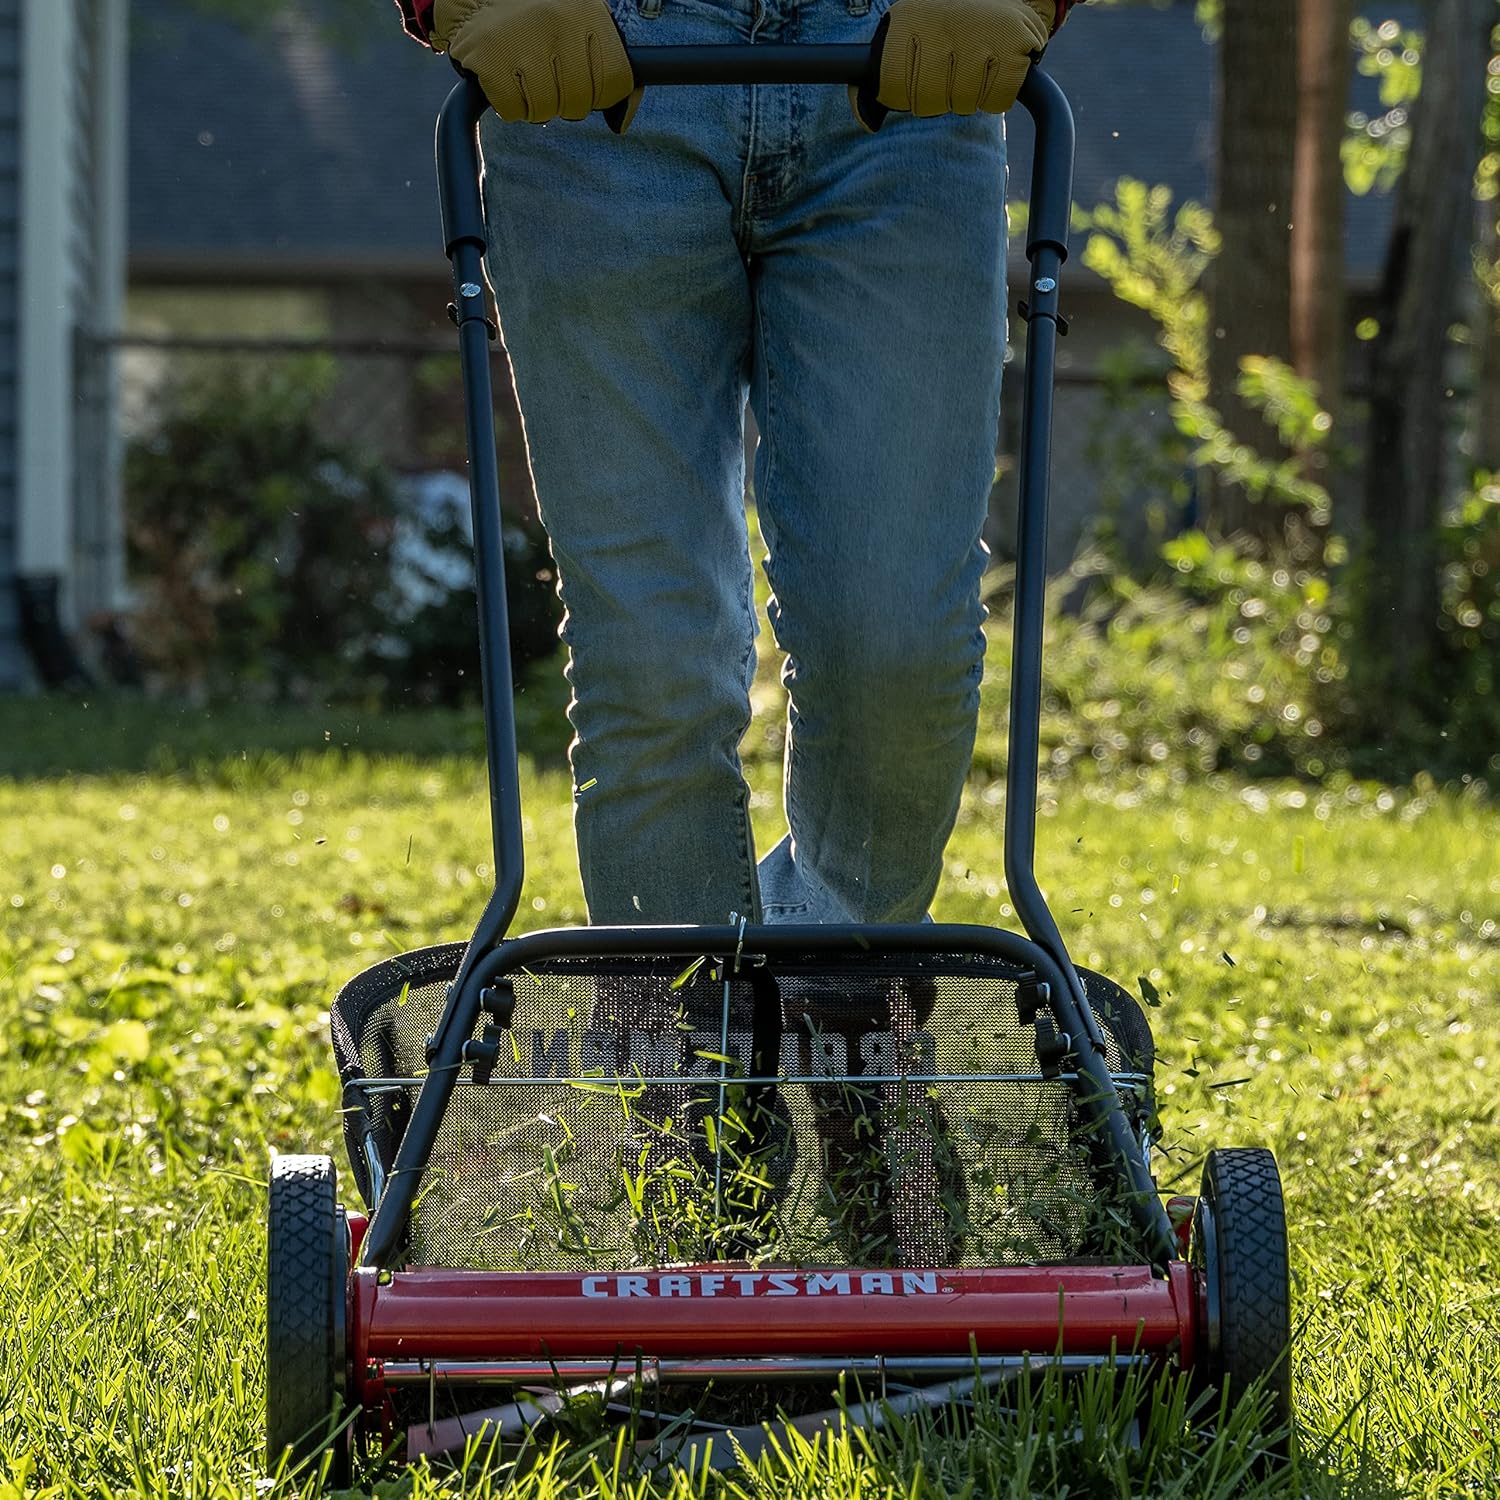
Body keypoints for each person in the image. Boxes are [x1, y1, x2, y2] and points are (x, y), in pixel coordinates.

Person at [393, 0, 1081, 1264]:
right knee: (649, 658)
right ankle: (694, 1114)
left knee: (899, 645)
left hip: (902, 82)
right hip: (595, 82)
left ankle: (847, 995)